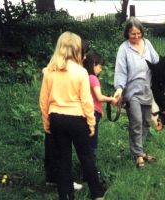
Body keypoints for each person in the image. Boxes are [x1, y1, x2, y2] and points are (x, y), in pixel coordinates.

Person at [39, 31, 106, 200]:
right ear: (78, 49)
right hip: (77, 119)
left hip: (56, 119)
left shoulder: (49, 70)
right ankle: (97, 194)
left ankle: (66, 195)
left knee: (63, 159)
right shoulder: (81, 72)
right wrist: (91, 123)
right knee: (85, 156)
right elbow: (86, 101)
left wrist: (46, 123)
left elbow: (43, 101)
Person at [113, 17, 159, 168]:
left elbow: (156, 62)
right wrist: (119, 89)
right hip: (132, 93)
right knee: (136, 123)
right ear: (127, 33)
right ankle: (138, 154)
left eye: (138, 33)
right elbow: (120, 71)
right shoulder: (124, 48)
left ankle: (139, 150)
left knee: (146, 122)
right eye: (132, 34)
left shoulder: (148, 44)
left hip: (148, 90)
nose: (136, 37)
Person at [83, 51, 116, 163]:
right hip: (93, 113)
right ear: (93, 64)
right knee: (92, 143)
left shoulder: (84, 77)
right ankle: (91, 170)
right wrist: (111, 99)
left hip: (84, 112)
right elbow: (99, 97)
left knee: (86, 141)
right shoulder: (93, 78)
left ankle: (85, 168)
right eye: (100, 66)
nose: (101, 69)